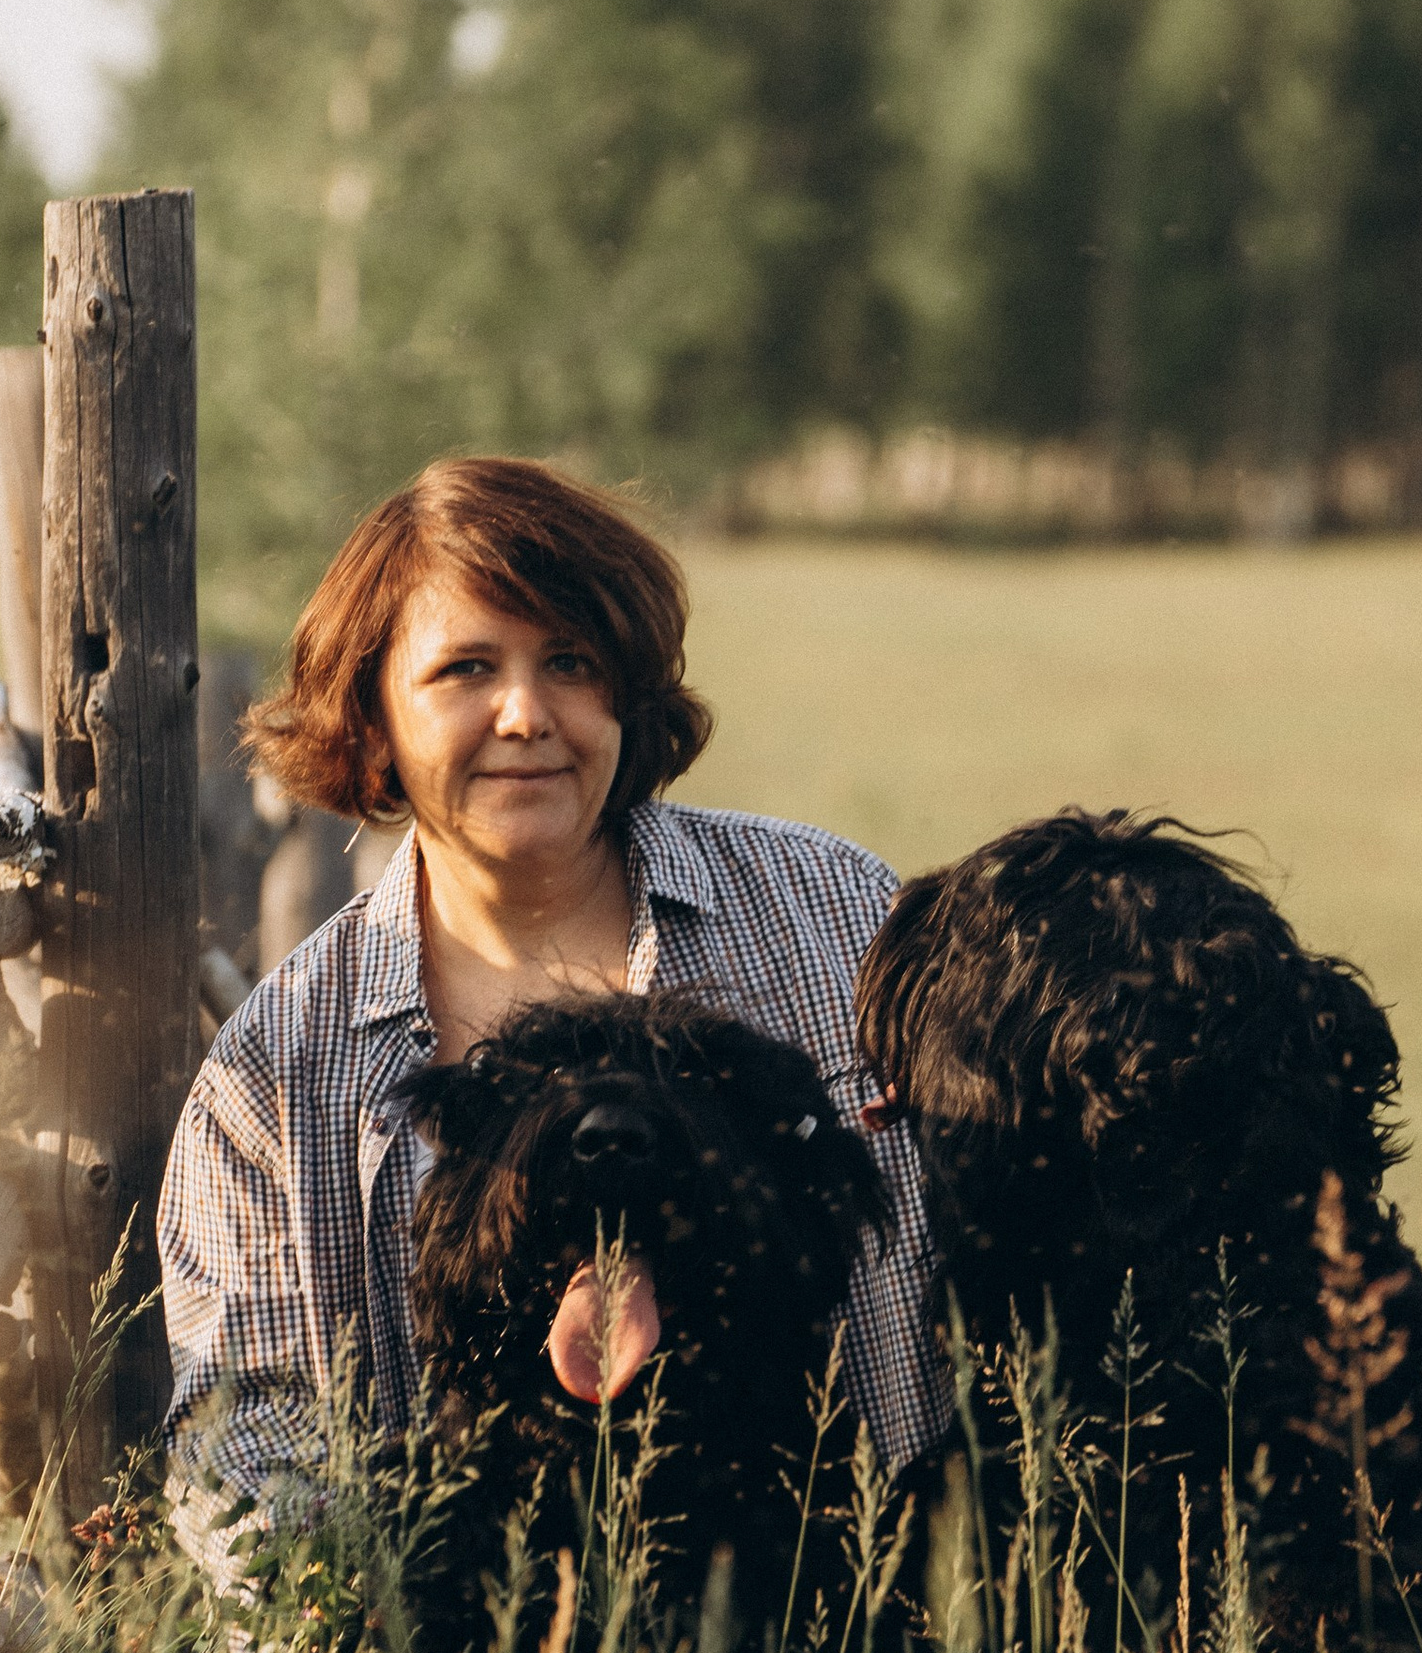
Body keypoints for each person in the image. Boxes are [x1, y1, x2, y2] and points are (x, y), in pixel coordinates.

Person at [158, 455, 949, 1582]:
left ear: (626, 693)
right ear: (372, 713)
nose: (524, 714)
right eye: (465, 669)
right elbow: (245, 1439)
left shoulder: (836, 916)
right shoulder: (276, 1070)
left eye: (569, 663)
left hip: (875, 1652)